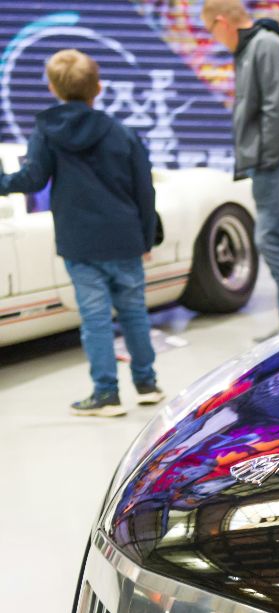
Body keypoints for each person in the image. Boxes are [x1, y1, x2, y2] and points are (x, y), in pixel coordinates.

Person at [0, 50, 162, 417]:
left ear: (53, 87)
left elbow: (32, 179)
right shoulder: (122, 132)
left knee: (95, 319)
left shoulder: (46, 130)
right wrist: (146, 237)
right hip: (124, 238)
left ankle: (106, 395)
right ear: (98, 86)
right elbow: (144, 190)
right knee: (135, 313)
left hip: (79, 241)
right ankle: (147, 383)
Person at [200, 0, 279, 337]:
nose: (214, 39)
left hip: (273, 160)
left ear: (222, 22)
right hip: (269, 158)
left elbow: (278, 107)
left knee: (270, 237)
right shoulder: (255, 48)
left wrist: (267, 157)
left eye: (211, 31)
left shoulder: (265, 45)